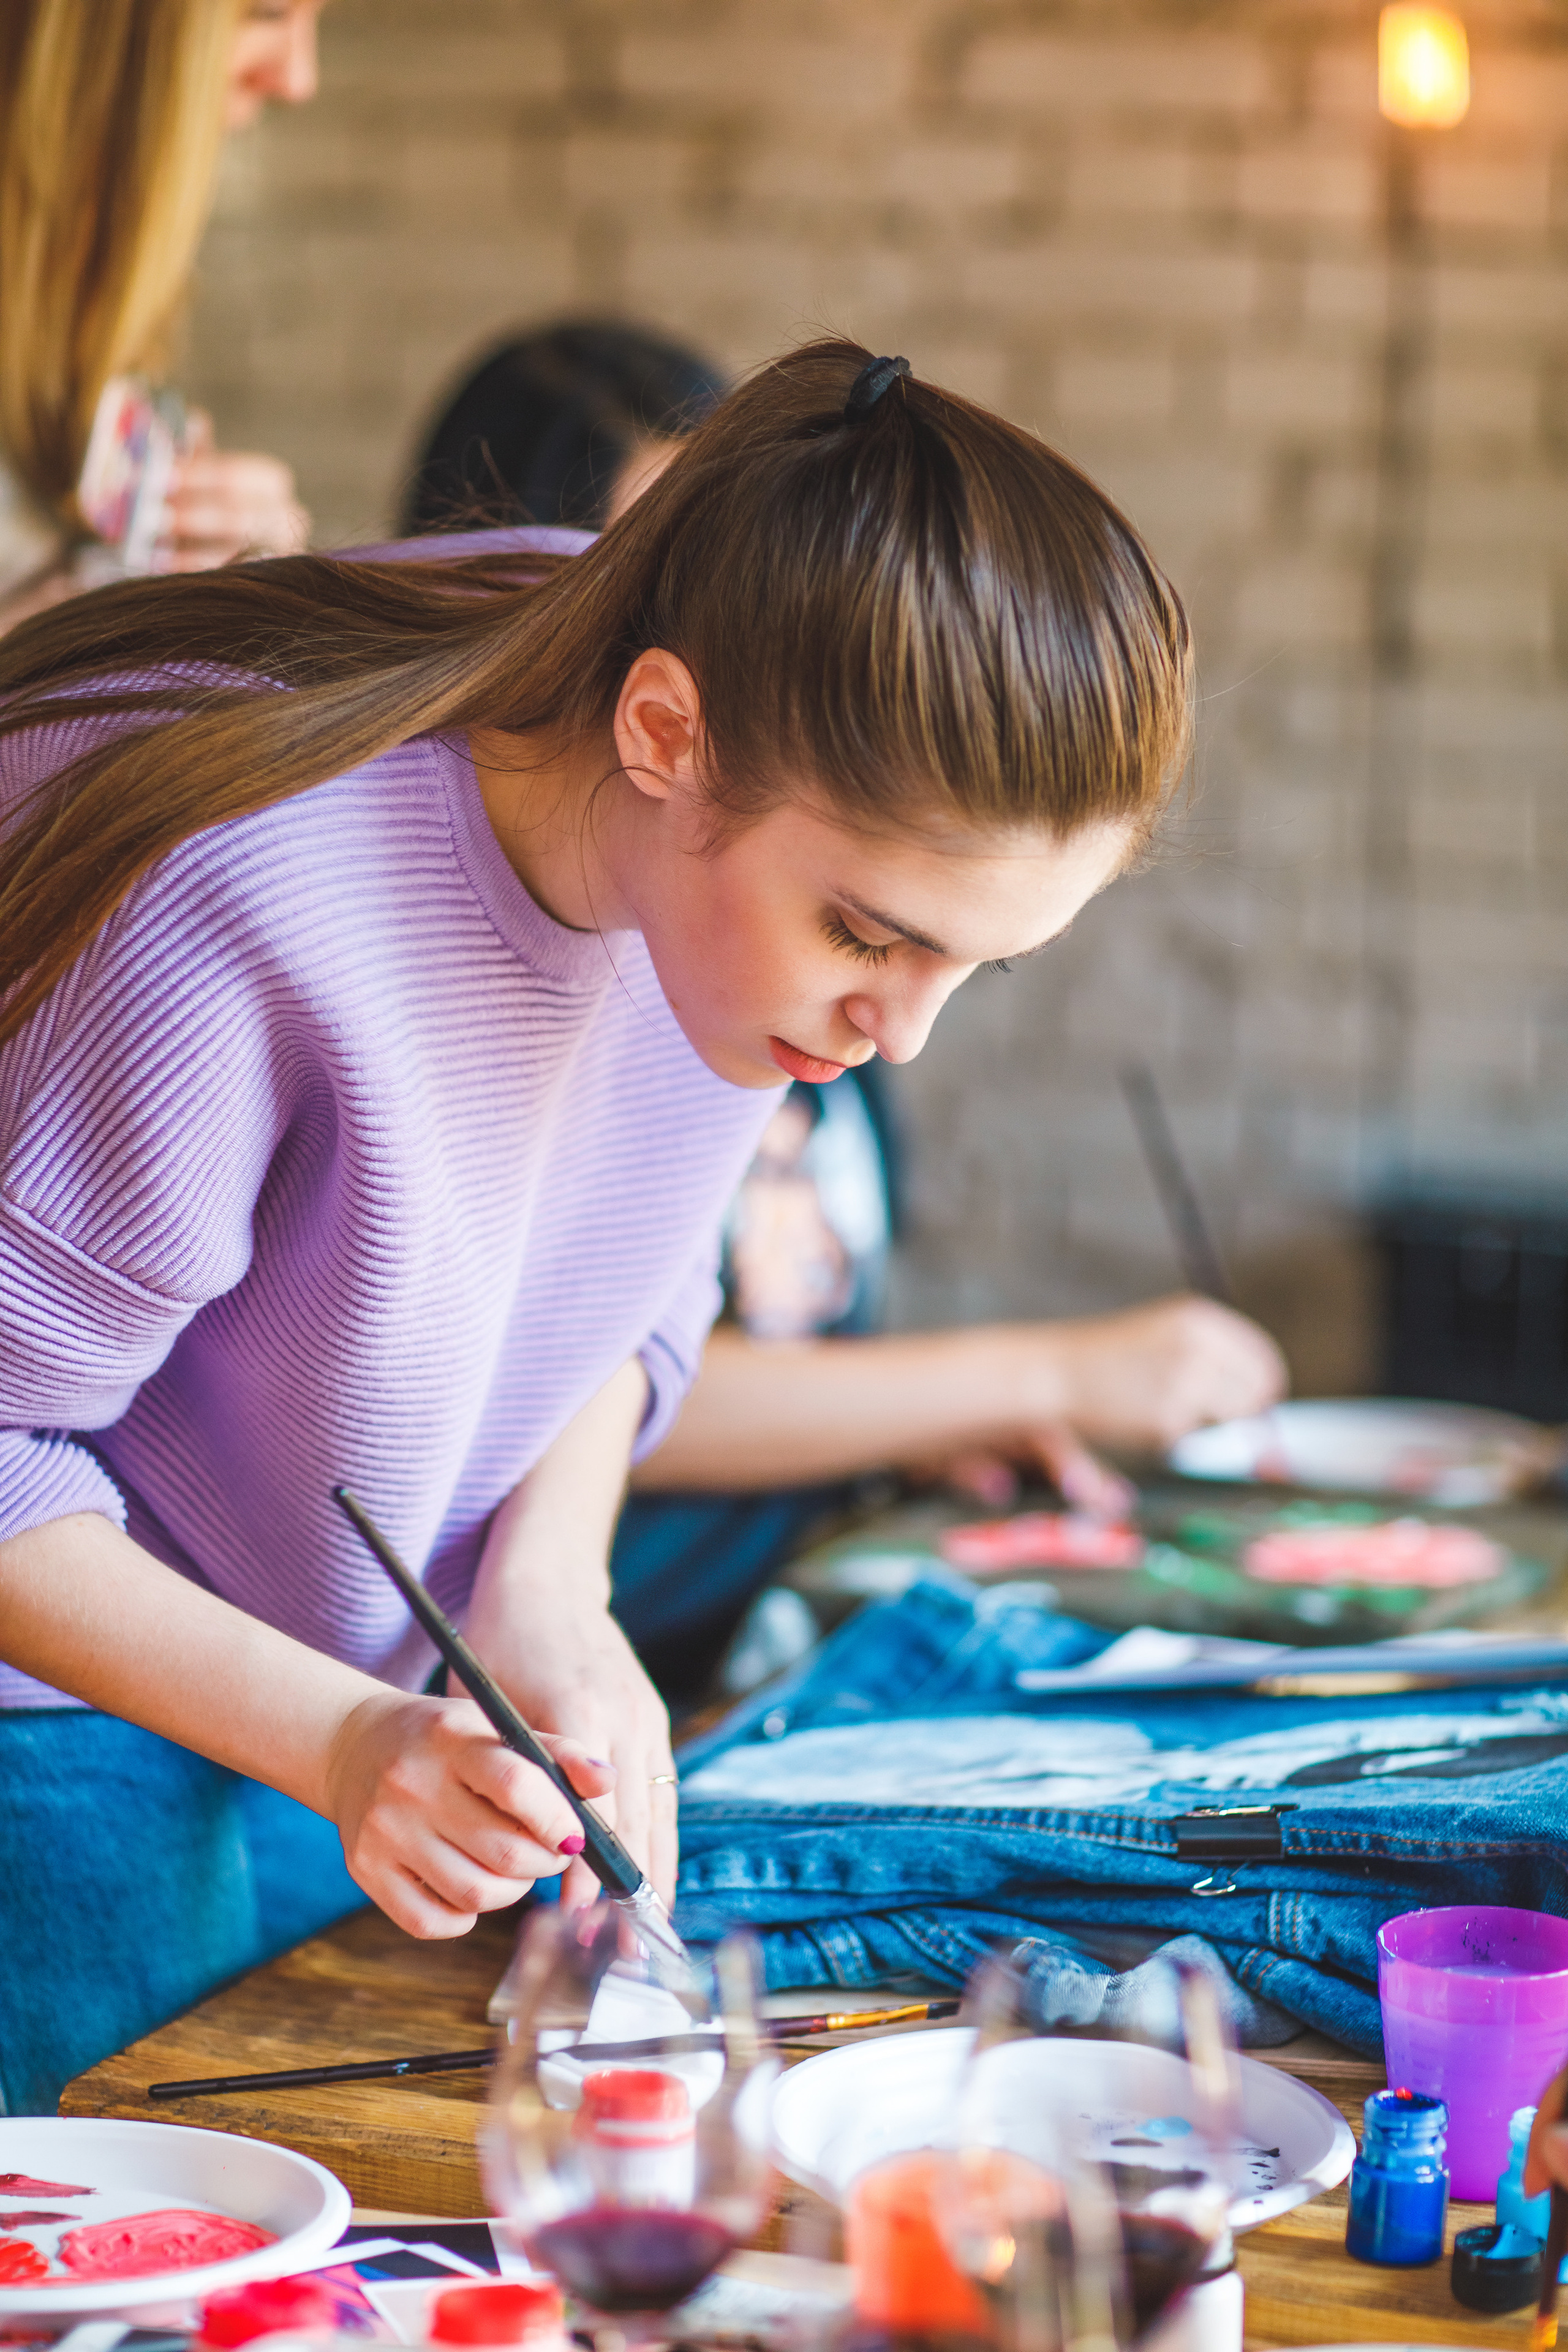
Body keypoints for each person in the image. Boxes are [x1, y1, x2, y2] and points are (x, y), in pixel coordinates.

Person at [0, 336, 1191, 2111]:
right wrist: (344, 1737)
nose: (903, 1034)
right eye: (868, 934)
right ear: (659, 734)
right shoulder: (240, 904)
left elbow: (622, 1274)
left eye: (975, 964)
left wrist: (549, 1584)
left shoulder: (704, 716)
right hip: (61, 1709)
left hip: (355, 1687)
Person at [403, 321, 1289, 1699]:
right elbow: (515, 1364)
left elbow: (642, 1329)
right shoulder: (630, 931)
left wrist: (902, 1430)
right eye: (641, 566)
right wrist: (1032, 1375)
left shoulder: (788, 969)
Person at [0, 0, 319, 635]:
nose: (299, 80)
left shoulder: (89, 296)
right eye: (268, 12)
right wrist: (49, 631)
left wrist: (215, 548)